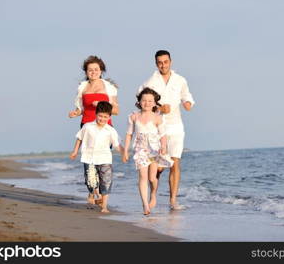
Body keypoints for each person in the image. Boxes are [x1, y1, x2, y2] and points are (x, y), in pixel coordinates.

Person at [138, 50, 195, 210]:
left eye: (165, 62)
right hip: (156, 127)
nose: (163, 65)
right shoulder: (151, 81)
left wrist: (187, 103)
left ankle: (173, 201)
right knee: (159, 166)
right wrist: (158, 107)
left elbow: (186, 95)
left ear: (171, 61)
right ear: (156, 64)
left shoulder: (180, 80)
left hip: (176, 126)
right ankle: (154, 193)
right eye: (160, 62)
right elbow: (140, 97)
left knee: (175, 162)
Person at [68, 55, 119, 203]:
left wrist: (102, 104)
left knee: (102, 162)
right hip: (87, 127)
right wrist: (75, 113)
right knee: (89, 162)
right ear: (86, 72)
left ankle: (101, 193)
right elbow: (81, 109)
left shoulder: (109, 87)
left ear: (101, 70)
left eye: (96, 69)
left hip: (105, 127)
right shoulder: (82, 87)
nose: (93, 72)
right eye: (90, 70)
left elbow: (116, 110)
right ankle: (93, 190)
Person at [122, 87, 173, 215]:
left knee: (152, 178)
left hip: (154, 150)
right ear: (139, 102)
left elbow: (163, 135)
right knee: (143, 177)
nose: (147, 103)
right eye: (144, 100)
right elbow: (129, 134)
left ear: (155, 103)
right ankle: (145, 205)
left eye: (150, 101)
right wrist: (126, 151)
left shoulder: (157, 118)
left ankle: (153, 193)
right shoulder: (134, 117)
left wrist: (164, 147)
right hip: (140, 150)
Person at [70, 101, 124, 213]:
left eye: (105, 117)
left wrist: (124, 153)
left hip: (105, 159)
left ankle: (104, 205)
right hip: (89, 158)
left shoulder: (110, 130)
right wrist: (75, 151)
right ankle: (94, 193)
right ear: (96, 114)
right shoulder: (87, 126)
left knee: (106, 181)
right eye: (100, 116)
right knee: (90, 181)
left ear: (109, 117)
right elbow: (79, 138)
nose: (102, 119)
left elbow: (116, 145)